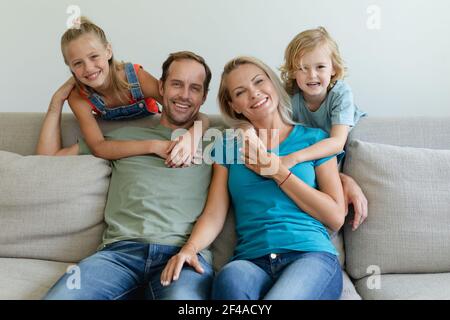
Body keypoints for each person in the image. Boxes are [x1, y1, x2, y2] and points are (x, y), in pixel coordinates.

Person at [160, 56, 345, 300]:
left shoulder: (316, 140)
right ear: (234, 105)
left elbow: (335, 216)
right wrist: (190, 249)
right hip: (250, 261)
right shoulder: (227, 146)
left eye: (259, 82)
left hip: (310, 255)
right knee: (229, 280)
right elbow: (215, 213)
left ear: (273, 83)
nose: (255, 93)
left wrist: (277, 171)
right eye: (241, 92)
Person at [41, 51, 215, 300]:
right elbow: (46, 161)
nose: (185, 95)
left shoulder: (216, 142)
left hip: (183, 256)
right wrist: (56, 103)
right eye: (177, 84)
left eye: (195, 88)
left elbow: (258, 132)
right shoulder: (120, 138)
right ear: (161, 87)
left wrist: (199, 130)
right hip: (119, 254)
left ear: (204, 96)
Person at [40, 16, 207, 167]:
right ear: (70, 67)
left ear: (108, 51)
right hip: (114, 138)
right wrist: (56, 101)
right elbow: (95, 147)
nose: (89, 68)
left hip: (150, 128)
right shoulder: (79, 97)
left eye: (94, 56)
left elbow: (193, 114)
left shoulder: (135, 78)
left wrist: (191, 138)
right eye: (77, 63)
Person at [280, 27, 368, 230]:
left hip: (338, 146)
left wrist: (295, 157)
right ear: (293, 72)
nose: (312, 75)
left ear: (334, 69)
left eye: (320, 67)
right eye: (303, 68)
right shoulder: (290, 99)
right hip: (316, 156)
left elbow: (337, 143)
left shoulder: (340, 93)